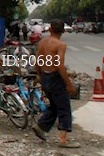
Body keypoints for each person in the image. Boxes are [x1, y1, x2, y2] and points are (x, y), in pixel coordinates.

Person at [32, 19, 79, 148]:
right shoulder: (60, 45)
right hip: (55, 77)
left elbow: (38, 61)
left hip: (45, 76)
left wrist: (39, 75)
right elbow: (59, 65)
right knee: (64, 108)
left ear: (50, 29)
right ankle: (63, 139)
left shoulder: (43, 42)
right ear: (63, 31)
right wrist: (68, 84)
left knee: (54, 105)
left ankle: (40, 125)